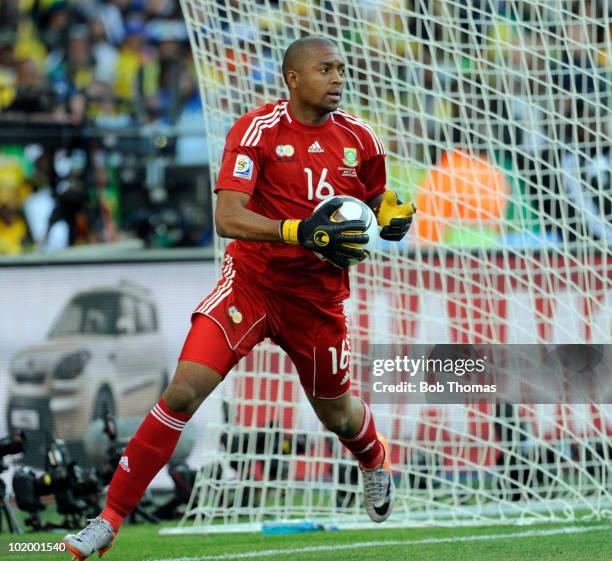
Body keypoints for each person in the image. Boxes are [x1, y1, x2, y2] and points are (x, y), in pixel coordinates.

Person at [62, 35, 416, 560]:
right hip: (250, 286)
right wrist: (300, 231)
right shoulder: (256, 131)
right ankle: (108, 520)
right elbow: (227, 217)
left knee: (338, 416)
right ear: (293, 79)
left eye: (342, 69)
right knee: (182, 391)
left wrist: (392, 214)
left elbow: (368, 200)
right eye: (326, 69)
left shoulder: (363, 139)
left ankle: (372, 458)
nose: (339, 78)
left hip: (317, 300)